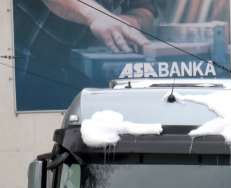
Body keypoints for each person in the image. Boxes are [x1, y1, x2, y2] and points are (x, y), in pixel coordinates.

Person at [13, 0, 156, 110]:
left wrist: (132, 22)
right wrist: (96, 16)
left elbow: (145, 11)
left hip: (71, 73)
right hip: (17, 68)